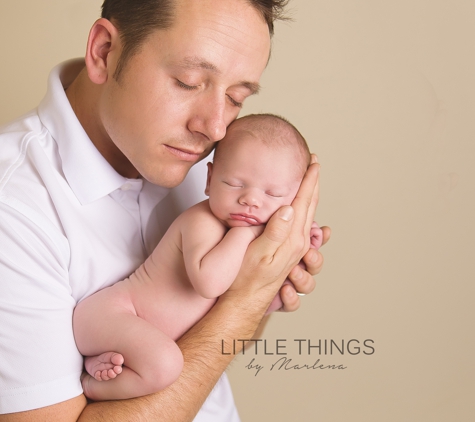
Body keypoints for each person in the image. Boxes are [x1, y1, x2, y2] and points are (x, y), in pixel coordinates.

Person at [0, 0, 330, 420]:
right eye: (189, 82)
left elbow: (219, 333)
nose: (214, 128)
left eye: (235, 97)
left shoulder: (209, 169)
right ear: (103, 52)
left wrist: (268, 277)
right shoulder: (13, 211)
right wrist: (244, 302)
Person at [73, 113, 324, 401]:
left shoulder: (243, 238)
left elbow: (246, 302)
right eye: (233, 183)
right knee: (166, 366)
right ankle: (89, 387)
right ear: (209, 179)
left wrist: (290, 263)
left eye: (273, 194)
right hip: (113, 314)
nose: (250, 200)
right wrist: (248, 234)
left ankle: (102, 364)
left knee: (164, 362)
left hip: (136, 337)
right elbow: (210, 285)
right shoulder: (202, 222)